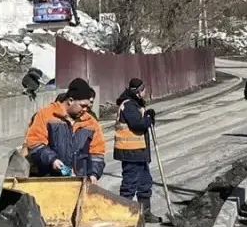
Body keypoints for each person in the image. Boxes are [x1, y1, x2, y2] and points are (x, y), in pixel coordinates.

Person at [24, 76, 105, 180]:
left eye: (87, 106)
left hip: (80, 181)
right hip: (48, 179)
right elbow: (35, 143)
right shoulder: (45, 115)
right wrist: (52, 160)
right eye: (82, 106)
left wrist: (94, 174)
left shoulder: (91, 123)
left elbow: (97, 153)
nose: (86, 109)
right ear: (70, 100)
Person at [114, 77, 156, 218]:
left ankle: (145, 213)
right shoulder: (129, 105)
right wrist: (148, 118)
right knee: (129, 184)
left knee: (145, 182)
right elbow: (138, 124)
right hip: (130, 152)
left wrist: (148, 117)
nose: (145, 92)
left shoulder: (136, 104)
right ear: (139, 91)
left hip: (139, 151)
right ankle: (123, 215)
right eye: (144, 89)